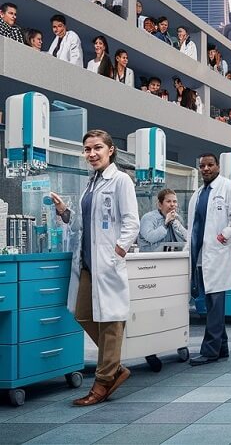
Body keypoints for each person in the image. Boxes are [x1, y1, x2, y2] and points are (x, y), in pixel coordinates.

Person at [50, 130, 139, 406]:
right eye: (87, 149)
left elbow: (131, 221)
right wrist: (66, 212)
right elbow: (82, 224)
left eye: (97, 148)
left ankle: (102, 383)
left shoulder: (120, 180)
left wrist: (118, 250)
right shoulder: (91, 184)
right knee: (83, 314)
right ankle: (114, 367)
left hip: (107, 261)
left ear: (110, 150)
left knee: (111, 321)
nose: (91, 154)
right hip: (88, 263)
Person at [184, 153, 231, 365]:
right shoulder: (199, 194)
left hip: (218, 253)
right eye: (202, 166)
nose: (206, 169)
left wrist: (225, 233)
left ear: (218, 166)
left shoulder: (228, 187)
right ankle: (222, 347)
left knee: (215, 303)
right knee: (211, 304)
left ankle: (210, 350)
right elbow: (195, 226)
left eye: (210, 165)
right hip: (201, 254)